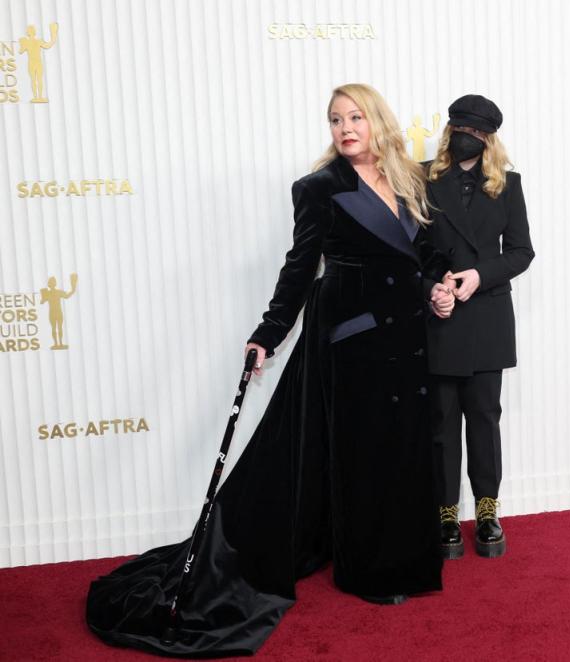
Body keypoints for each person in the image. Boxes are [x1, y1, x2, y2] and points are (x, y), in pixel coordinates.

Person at [86, 83, 456, 657]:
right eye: (335, 120)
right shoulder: (318, 188)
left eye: (355, 117)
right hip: (351, 340)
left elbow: (427, 254)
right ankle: (370, 572)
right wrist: (269, 331)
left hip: (407, 337)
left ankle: (403, 557)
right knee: (365, 454)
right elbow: (300, 265)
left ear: (378, 120)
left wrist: (439, 287)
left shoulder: (410, 180)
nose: (345, 128)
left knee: (404, 448)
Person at [424, 95, 534, 559]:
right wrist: (434, 286)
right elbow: (412, 248)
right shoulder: (421, 178)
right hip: (441, 317)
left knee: (485, 421)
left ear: (488, 139)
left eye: (476, 132)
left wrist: (480, 275)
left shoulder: (507, 184)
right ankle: (446, 515)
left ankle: (487, 513)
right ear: (450, 130)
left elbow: (522, 252)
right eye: (459, 128)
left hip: (488, 317)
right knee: (442, 424)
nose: (465, 137)